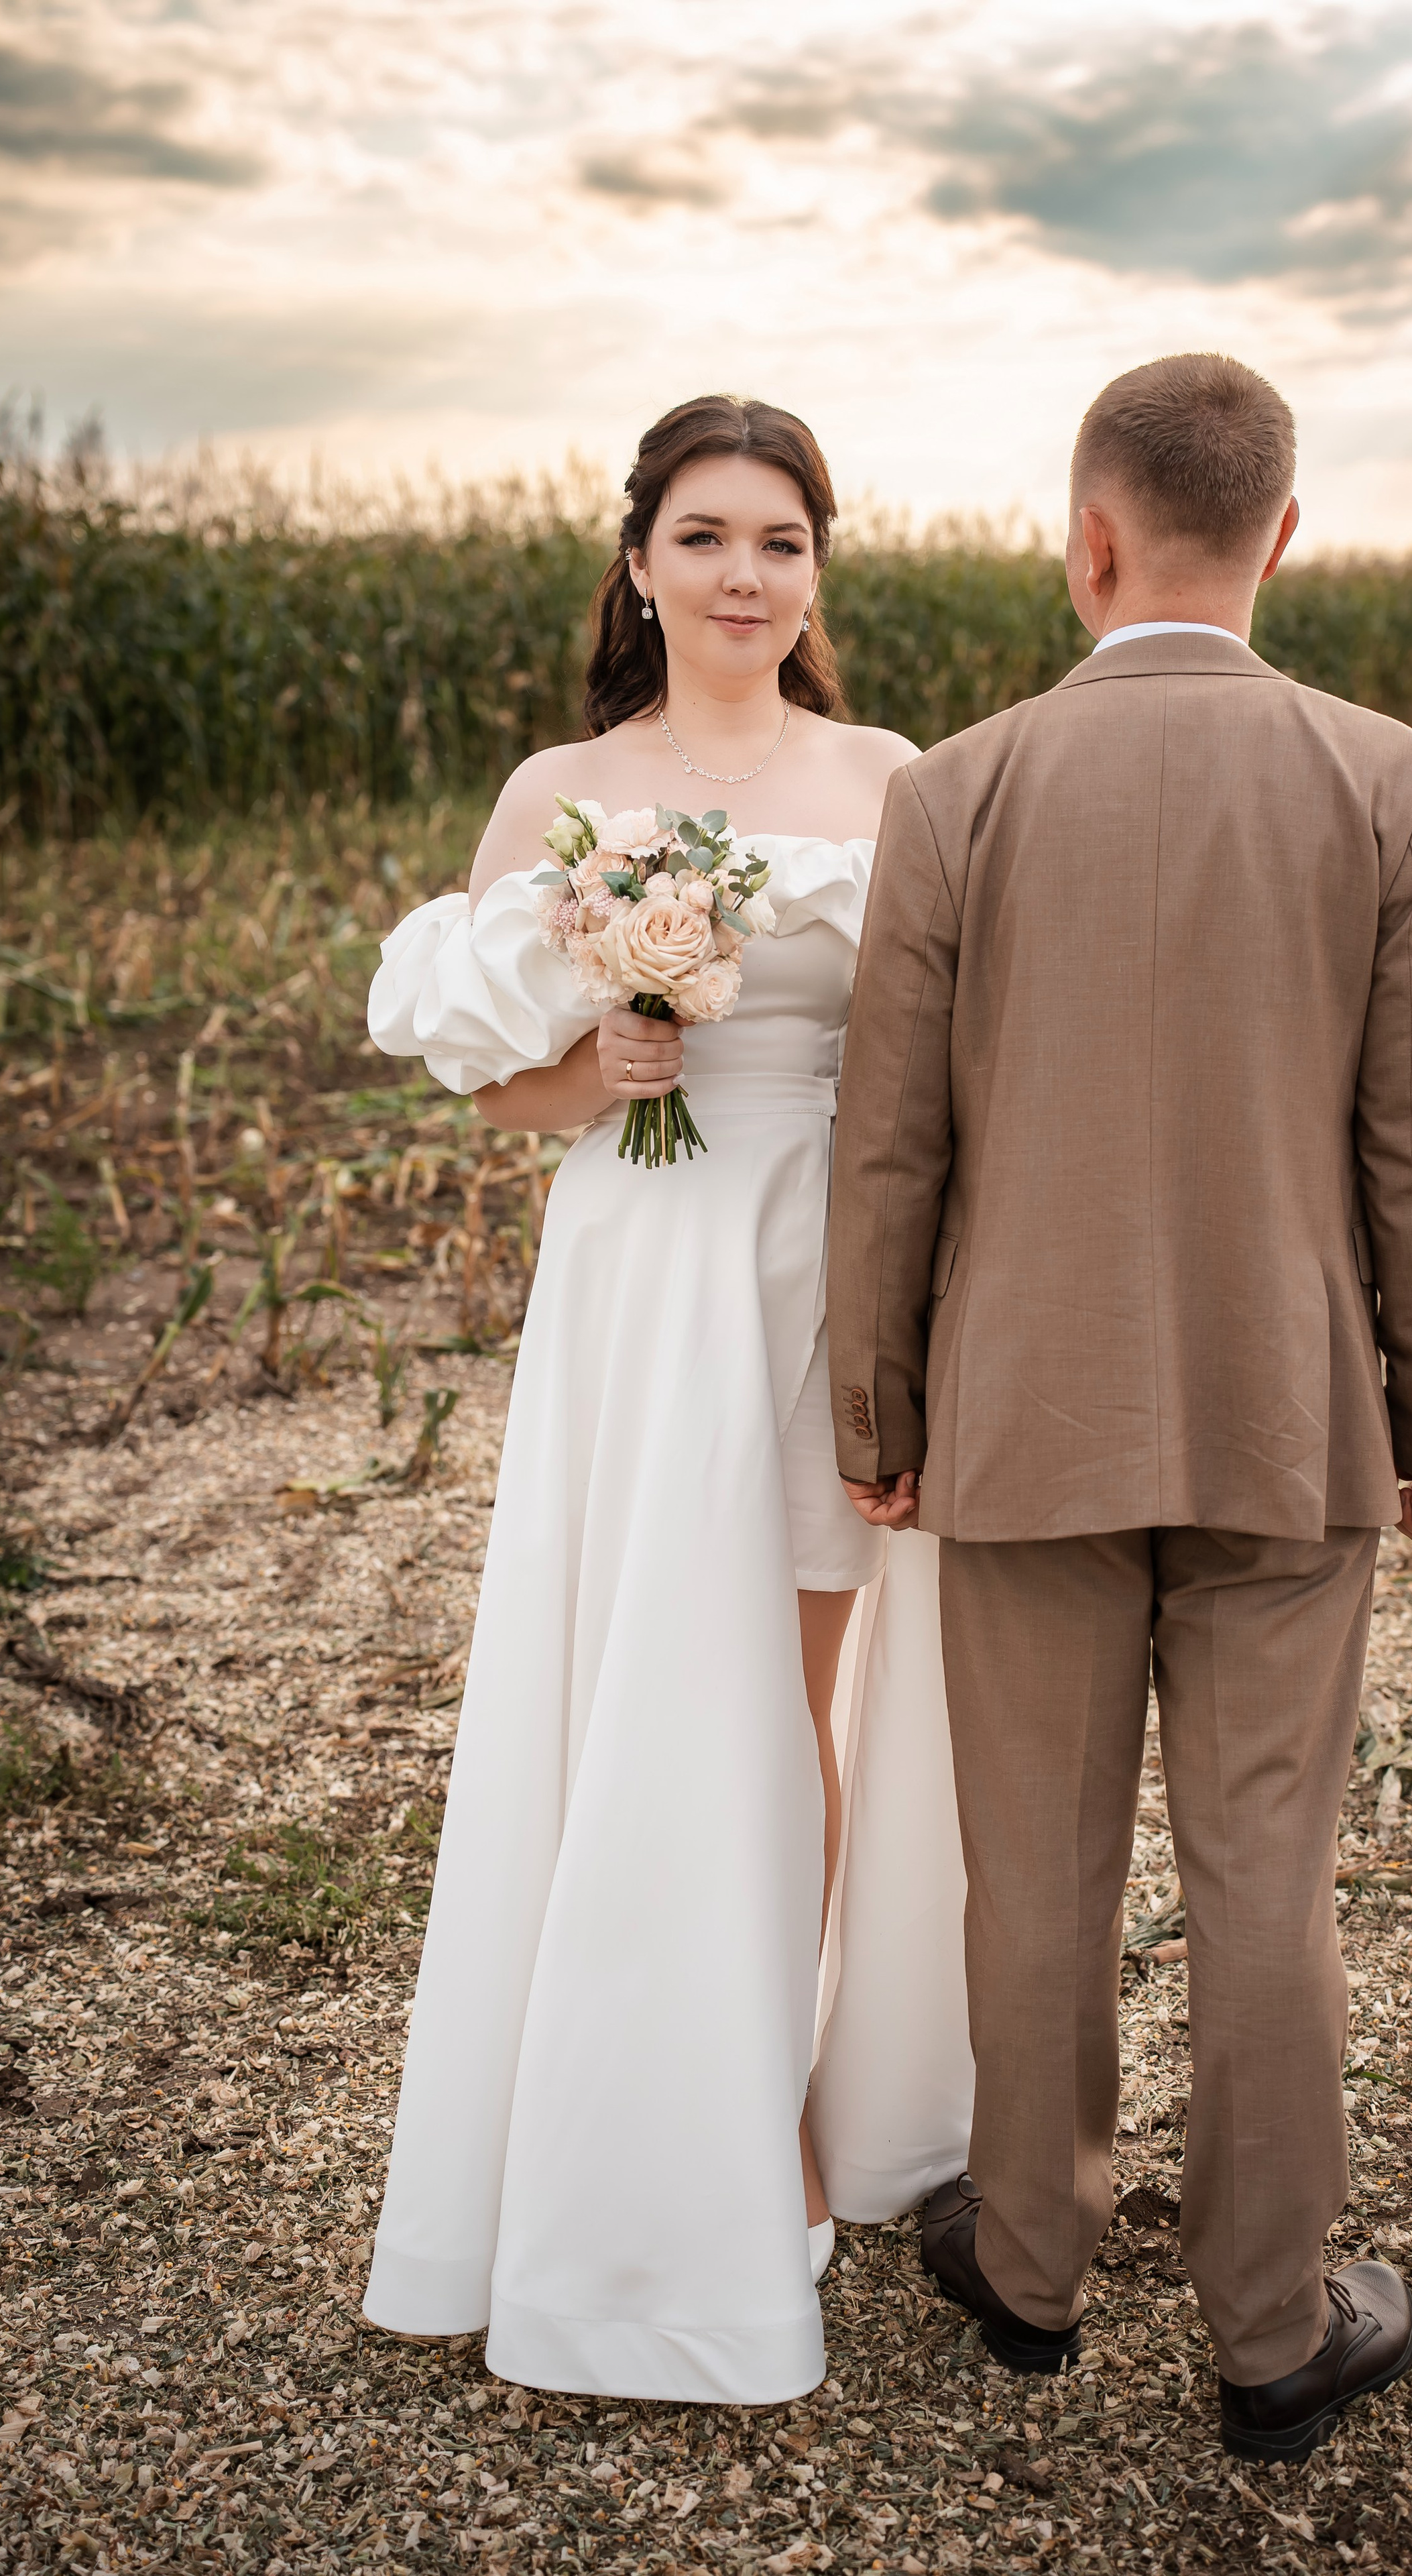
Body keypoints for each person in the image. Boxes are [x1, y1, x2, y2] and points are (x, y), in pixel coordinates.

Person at [829, 351, 1412, 2461]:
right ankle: (1275, 2326)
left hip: (1017, 1417)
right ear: (1284, 535)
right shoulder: (1393, 779)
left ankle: (1026, 2265)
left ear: (1088, 536)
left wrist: (879, 1404)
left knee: (1032, 1872)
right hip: (1295, 1421)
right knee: (1265, 1873)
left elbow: (891, 1148)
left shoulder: (960, 787)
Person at [361, 394, 974, 2404]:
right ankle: (615, 2122)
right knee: (634, 1684)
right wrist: (600, 1073)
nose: (743, 575)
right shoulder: (567, 783)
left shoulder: (887, 776)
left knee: (789, 1702)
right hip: (636, 1273)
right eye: (705, 536)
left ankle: (781, 2112)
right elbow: (483, 1071)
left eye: (780, 541)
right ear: (639, 560)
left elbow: (945, 1051)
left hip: (827, 1261)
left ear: (820, 571)